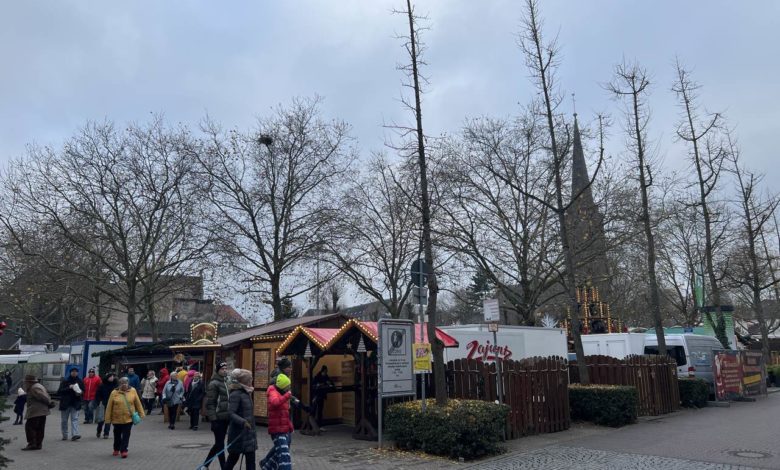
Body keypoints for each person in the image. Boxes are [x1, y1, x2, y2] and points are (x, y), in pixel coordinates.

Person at [104, 376, 145, 459]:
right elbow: (109, 406)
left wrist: (141, 414)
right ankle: (116, 448)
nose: (124, 385)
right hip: (116, 419)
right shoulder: (114, 392)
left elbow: (137, 403)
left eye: (125, 383)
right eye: (122, 383)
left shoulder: (133, 391)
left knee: (126, 435)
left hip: (128, 418)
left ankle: (124, 450)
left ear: (128, 383)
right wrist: (107, 419)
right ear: (119, 384)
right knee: (117, 435)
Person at [259, 373, 293, 470]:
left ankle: (266, 466)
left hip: (284, 428)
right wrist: (287, 396)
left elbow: (284, 413)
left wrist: (290, 427)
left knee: (279, 453)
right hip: (277, 430)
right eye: (288, 386)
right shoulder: (273, 392)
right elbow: (275, 402)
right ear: (283, 386)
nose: (289, 388)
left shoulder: (281, 393)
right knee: (284, 456)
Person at [224, 369, 257, 470]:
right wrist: (243, 422)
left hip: (249, 432)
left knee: (251, 460)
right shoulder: (236, 394)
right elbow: (230, 413)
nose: (251, 380)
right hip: (238, 433)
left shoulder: (246, 392)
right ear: (244, 381)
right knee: (233, 458)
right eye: (249, 379)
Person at [203, 361, 231, 470]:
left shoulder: (227, 381)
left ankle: (205, 465)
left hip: (226, 417)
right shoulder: (214, 383)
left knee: (218, 444)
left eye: (226, 368)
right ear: (218, 370)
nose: (225, 370)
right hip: (218, 418)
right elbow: (210, 403)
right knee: (220, 445)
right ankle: (224, 467)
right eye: (222, 369)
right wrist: (213, 420)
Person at [21, 375, 52, 451]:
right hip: (42, 411)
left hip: (36, 411)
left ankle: (32, 444)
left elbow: (42, 397)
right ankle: (38, 444)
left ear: (29, 382)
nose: (25, 384)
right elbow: (46, 395)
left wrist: (49, 403)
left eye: (26, 382)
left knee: (30, 427)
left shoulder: (34, 387)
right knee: (40, 428)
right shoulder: (39, 386)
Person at [58, 367, 84, 441]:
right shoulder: (65, 381)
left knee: (75, 419)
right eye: (73, 371)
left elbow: (83, 391)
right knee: (64, 420)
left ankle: (75, 434)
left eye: (76, 371)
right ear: (70, 372)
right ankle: (65, 435)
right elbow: (59, 392)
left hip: (75, 403)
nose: (74, 373)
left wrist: (79, 392)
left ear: (78, 373)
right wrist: (69, 387)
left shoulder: (80, 381)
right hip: (65, 404)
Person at [95, 372, 117, 439]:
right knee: (101, 420)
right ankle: (99, 431)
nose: (112, 377)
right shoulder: (102, 385)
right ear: (107, 378)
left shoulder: (115, 386)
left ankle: (106, 433)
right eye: (110, 376)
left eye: (113, 376)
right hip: (103, 404)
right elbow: (97, 394)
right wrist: (99, 402)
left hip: (112, 404)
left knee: (108, 419)